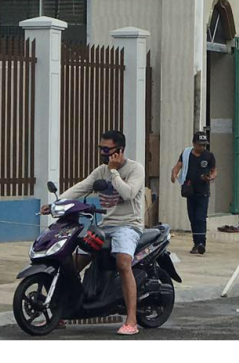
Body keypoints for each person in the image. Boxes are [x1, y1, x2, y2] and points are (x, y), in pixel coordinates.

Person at [41, 129, 145, 336]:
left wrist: (114, 172)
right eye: (101, 149)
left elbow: (128, 193)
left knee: (123, 262)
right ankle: (61, 310)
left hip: (128, 225)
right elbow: (79, 188)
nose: (103, 153)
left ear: (119, 150)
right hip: (105, 226)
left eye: (107, 149)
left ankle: (131, 320)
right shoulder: (100, 171)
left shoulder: (135, 169)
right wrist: (55, 205)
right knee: (73, 262)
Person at [171, 131, 217, 255]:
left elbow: (214, 171)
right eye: (199, 145)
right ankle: (196, 243)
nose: (202, 147)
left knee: (200, 218)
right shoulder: (186, 154)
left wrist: (210, 177)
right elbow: (178, 166)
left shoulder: (209, 156)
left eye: (204, 145)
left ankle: (201, 243)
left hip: (203, 192)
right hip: (190, 191)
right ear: (194, 143)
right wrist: (174, 174)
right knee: (192, 218)